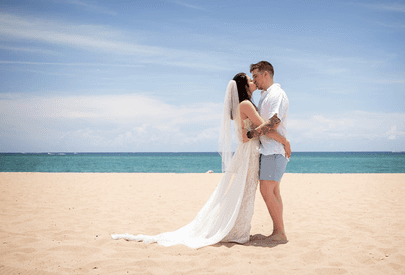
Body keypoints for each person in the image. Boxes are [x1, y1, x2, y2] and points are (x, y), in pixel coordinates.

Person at [111, 72, 289, 249]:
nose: (253, 83)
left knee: (244, 192)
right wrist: (285, 141)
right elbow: (261, 129)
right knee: (245, 191)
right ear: (243, 87)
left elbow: (247, 133)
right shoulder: (246, 104)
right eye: (250, 81)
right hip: (249, 154)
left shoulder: (241, 106)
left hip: (248, 154)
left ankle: (240, 229)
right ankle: (238, 230)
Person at [247, 61, 290, 243]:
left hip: (273, 150)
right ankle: (278, 231)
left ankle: (279, 232)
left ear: (266, 74)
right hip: (268, 149)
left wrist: (254, 133)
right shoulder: (265, 95)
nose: (254, 80)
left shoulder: (277, 94)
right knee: (273, 192)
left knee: (267, 191)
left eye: (256, 76)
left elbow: (274, 122)